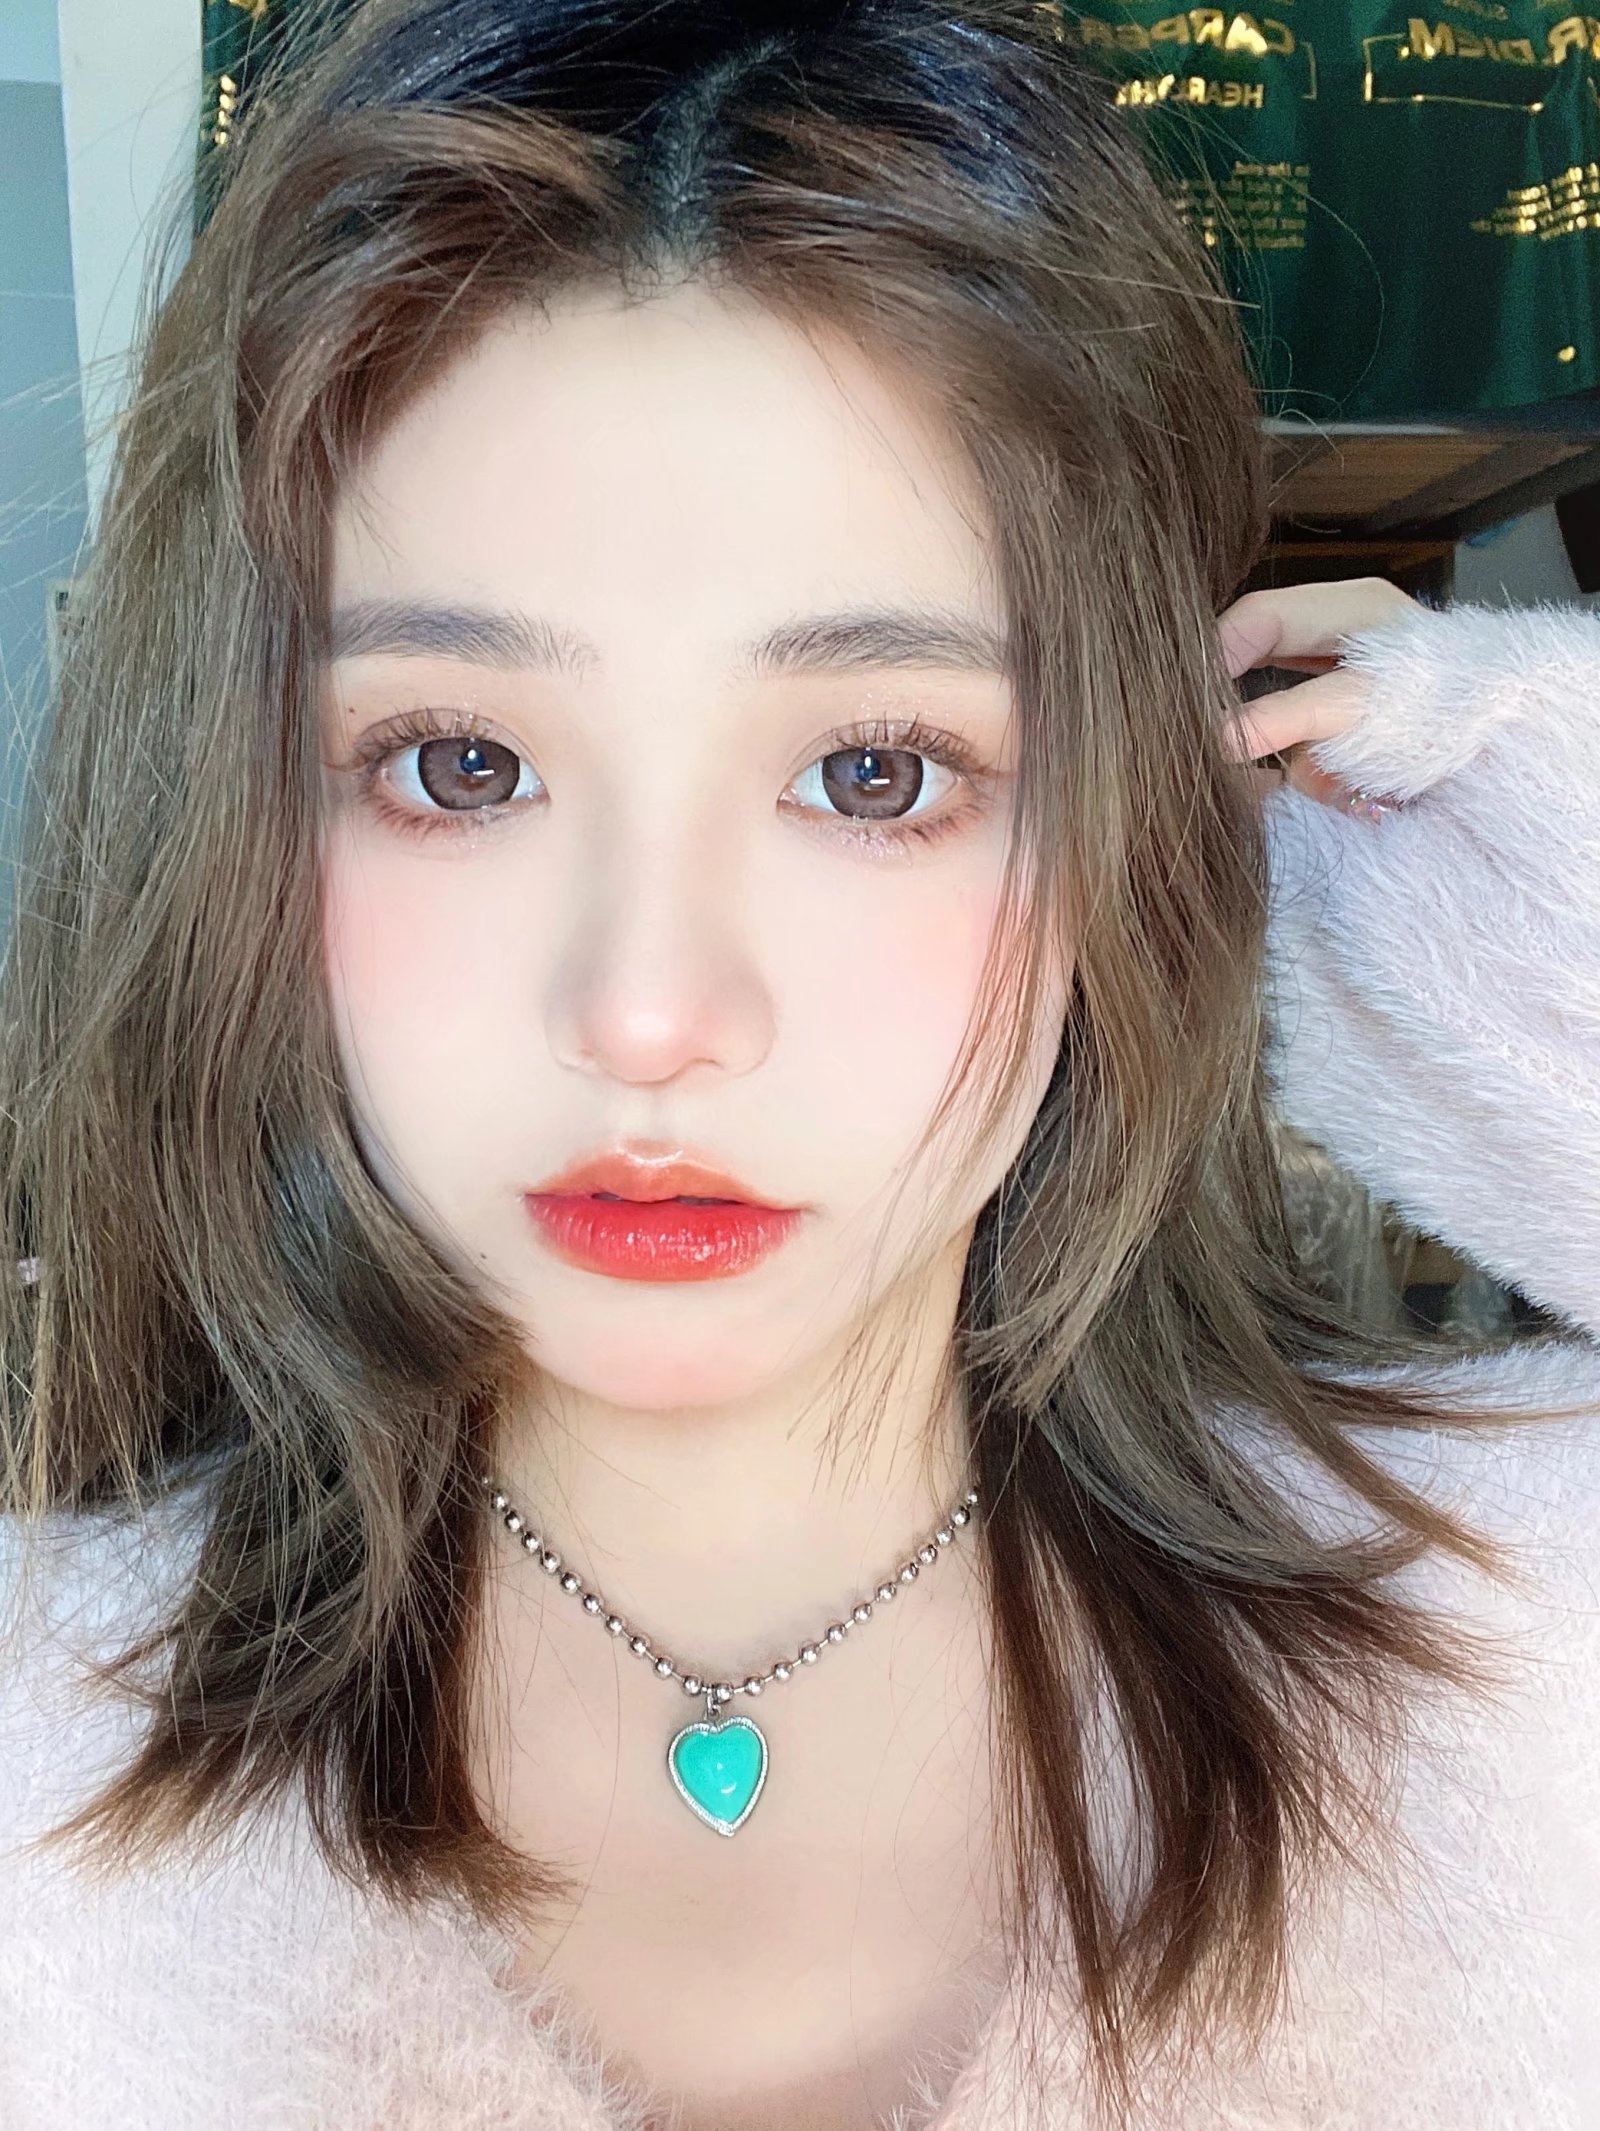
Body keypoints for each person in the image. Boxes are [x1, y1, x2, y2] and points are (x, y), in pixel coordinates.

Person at [1, 4, 1597, 2127]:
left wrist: (1519, 840)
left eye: (872, 772)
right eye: (458, 767)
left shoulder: (1529, 1631)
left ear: (1126, 822)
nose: (650, 1015)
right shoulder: (38, 1743)